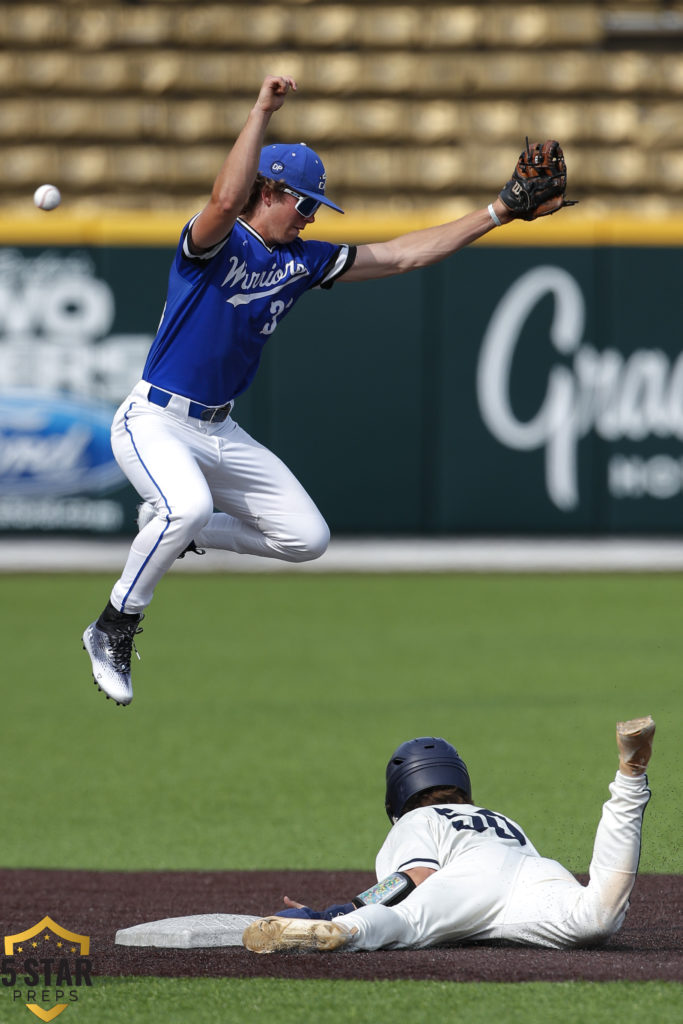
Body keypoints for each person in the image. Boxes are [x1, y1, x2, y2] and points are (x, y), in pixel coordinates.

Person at [82, 74, 570, 706]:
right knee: (190, 505)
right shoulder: (213, 242)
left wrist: (497, 212)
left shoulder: (303, 260)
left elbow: (401, 256)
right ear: (271, 191)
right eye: (303, 202)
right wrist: (261, 109)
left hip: (218, 430)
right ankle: (113, 623)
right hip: (153, 420)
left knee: (305, 538)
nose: (312, 215)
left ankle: (184, 533)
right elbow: (226, 199)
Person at [242, 715, 655, 953]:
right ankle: (630, 780)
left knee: (401, 923)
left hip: (464, 883)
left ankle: (344, 931)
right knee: (595, 918)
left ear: (398, 795)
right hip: (533, 872)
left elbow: (414, 878)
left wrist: (341, 910)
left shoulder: (416, 820)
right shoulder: (497, 816)